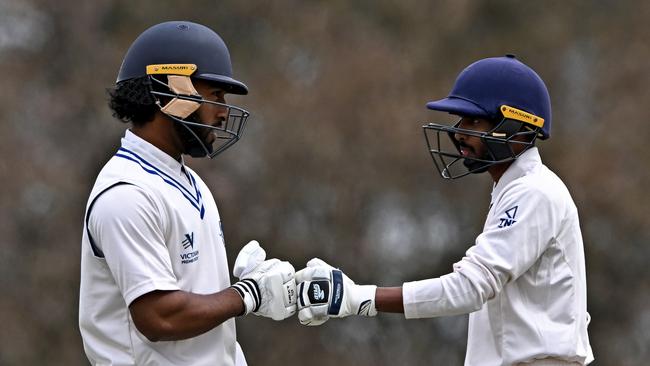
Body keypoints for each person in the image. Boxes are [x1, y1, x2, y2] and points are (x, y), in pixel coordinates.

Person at [295, 55, 594, 365]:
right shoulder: (517, 189)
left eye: (473, 121)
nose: (459, 133)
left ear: (516, 126)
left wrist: (360, 298)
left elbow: (468, 288)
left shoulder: (534, 193)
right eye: (460, 120)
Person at [79, 21, 296, 366]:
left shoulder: (189, 183)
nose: (224, 112)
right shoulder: (127, 193)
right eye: (215, 96)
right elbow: (159, 317)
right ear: (172, 94)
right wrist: (248, 295)